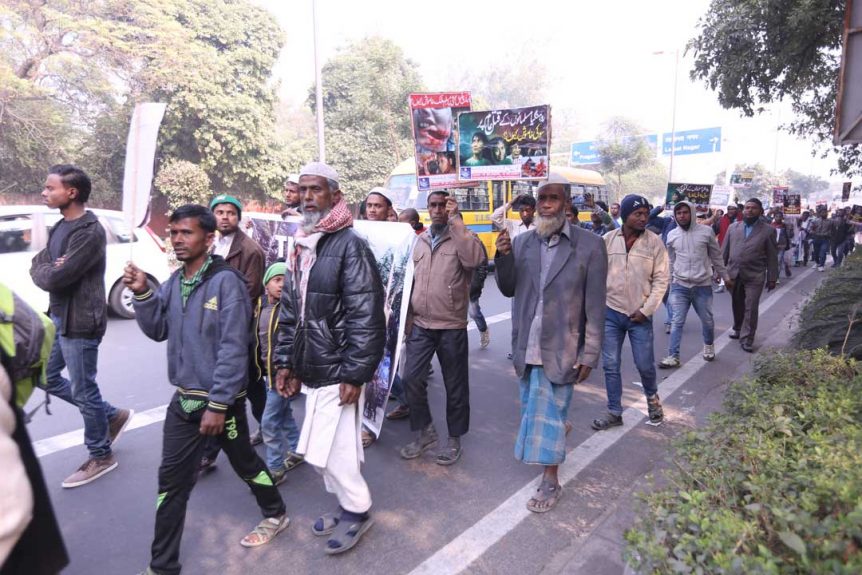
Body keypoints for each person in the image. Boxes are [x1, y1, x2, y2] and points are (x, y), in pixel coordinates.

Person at [125, 204, 288, 575]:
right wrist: (143, 295)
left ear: (209, 239)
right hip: (184, 399)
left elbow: (233, 346)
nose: (178, 240)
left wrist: (218, 405)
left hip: (221, 403)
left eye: (187, 233)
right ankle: (162, 566)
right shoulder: (174, 281)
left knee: (246, 464)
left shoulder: (225, 281)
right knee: (171, 483)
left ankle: (276, 513)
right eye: (174, 233)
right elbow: (158, 331)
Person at [272, 162, 385, 555]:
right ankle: (347, 505)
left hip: (338, 368)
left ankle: (358, 510)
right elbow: (291, 311)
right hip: (311, 365)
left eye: (315, 190)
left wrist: (355, 374)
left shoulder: (349, 245)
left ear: (335, 196)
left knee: (327, 450)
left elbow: (367, 317)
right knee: (332, 448)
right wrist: (284, 363)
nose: (307, 197)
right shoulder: (304, 241)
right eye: (302, 190)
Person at [494, 174, 607, 513]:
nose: (544, 204)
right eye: (541, 198)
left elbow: (595, 304)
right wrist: (502, 257)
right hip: (527, 341)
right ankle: (559, 430)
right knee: (534, 406)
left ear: (566, 204)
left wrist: (591, 351)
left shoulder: (590, 245)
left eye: (552, 198)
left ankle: (550, 479)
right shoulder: (524, 242)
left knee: (548, 409)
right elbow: (509, 288)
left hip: (563, 343)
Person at [29, 164, 133, 488]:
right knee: (44, 376)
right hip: (59, 315)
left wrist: (51, 270)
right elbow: (38, 265)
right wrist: (49, 268)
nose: (44, 193)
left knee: (83, 388)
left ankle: (101, 455)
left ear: (70, 192)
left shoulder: (89, 231)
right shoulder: (60, 226)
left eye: (50, 188)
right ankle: (112, 414)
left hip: (81, 321)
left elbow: (58, 276)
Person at [399, 191, 484, 465]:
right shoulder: (419, 241)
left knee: (455, 386)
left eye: (442, 205)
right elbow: (409, 281)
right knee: (411, 379)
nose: (437, 210)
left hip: (451, 325)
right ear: (427, 209)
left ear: (449, 209)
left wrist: (457, 220)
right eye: (433, 205)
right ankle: (425, 431)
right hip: (421, 324)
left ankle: (454, 439)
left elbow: (474, 261)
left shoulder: (463, 237)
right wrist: (408, 317)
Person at [0, 287, 69, 574]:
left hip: (15, 537)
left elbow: (57, 276)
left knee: (85, 391)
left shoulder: (84, 238)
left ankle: (104, 438)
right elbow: (43, 272)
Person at [200, 194, 266, 473]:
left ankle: (268, 425)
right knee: (226, 387)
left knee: (250, 385)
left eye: (230, 213)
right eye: (220, 212)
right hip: (213, 329)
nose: (224, 217)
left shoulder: (251, 251)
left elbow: (247, 293)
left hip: (238, 331)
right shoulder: (208, 245)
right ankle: (209, 452)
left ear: (238, 218)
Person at [592, 194, 669, 431]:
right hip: (611, 313)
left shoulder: (654, 242)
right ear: (625, 215)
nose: (643, 218)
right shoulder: (607, 240)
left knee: (645, 364)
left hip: (640, 316)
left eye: (646, 214)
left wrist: (646, 311)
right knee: (610, 364)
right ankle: (615, 411)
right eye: (638, 214)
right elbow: (595, 274)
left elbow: (661, 279)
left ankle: (653, 402)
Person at [658, 201, 732, 368]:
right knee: (677, 321)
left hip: (702, 285)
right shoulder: (672, 235)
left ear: (691, 213)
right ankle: (673, 356)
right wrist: (669, 282)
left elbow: (716, 257)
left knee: (707, 320)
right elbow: (670, 260)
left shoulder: (706, 232)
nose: (682, 215)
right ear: (675, 216)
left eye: (685, 212)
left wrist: (725, 277)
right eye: (679, 213)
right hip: (680, 285)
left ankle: (708, 346)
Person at [256, 263, 302, 485]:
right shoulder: (260, 306)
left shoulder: (289, 311)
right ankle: (298, 449)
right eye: (277, 279)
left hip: (281, 377)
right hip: (267, 375)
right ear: (266, 284)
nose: (282, 284)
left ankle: (275, 468)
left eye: (286, 280)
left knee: (269, 423)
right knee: (284, 416)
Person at [722, 198, 778, 352]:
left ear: (760, 211)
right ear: (743, 210)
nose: (749, 210)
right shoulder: (733, 228)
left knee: (751, 306)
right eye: (747, 208)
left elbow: (772, 256)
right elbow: (724, 251)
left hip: (755, 275)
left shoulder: (768, 230)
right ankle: (739, 328)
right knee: (737, 303)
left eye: (753, 208)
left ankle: (747, 339)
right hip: (733, 273)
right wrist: (719, 271)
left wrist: (772, 277)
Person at [469, 236, 491, 350]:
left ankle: (483, 330)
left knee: (473, 312)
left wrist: (479, 281)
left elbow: (483, 262)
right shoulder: (446, 239)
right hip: (453, 287)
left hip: (470, 285)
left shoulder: (473, 239)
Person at [808, 205, 833, 271]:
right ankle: (817, 263)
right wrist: (813, 232)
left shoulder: (830, 221)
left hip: (825, 239)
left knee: (823, 252)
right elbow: (810, 229)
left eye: (825, 212)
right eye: (823, 212)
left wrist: (829, 234)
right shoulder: (815, 221)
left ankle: (821, 265)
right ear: (820, 213)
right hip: (816, 238)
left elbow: (832, 230)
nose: (824, 214)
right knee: (816, 253)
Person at [771, 211, 794, 278]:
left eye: (780, 217)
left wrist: (791, 229)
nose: (778, 218)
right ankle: (785, 267)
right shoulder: (771, 225)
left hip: (782, 246)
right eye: (776, 216)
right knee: (773, 261)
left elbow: (790, 235)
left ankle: (776, 276)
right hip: (772, 245)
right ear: (774, 217)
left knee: (779, 260)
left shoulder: (785, 226)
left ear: (782, 218)